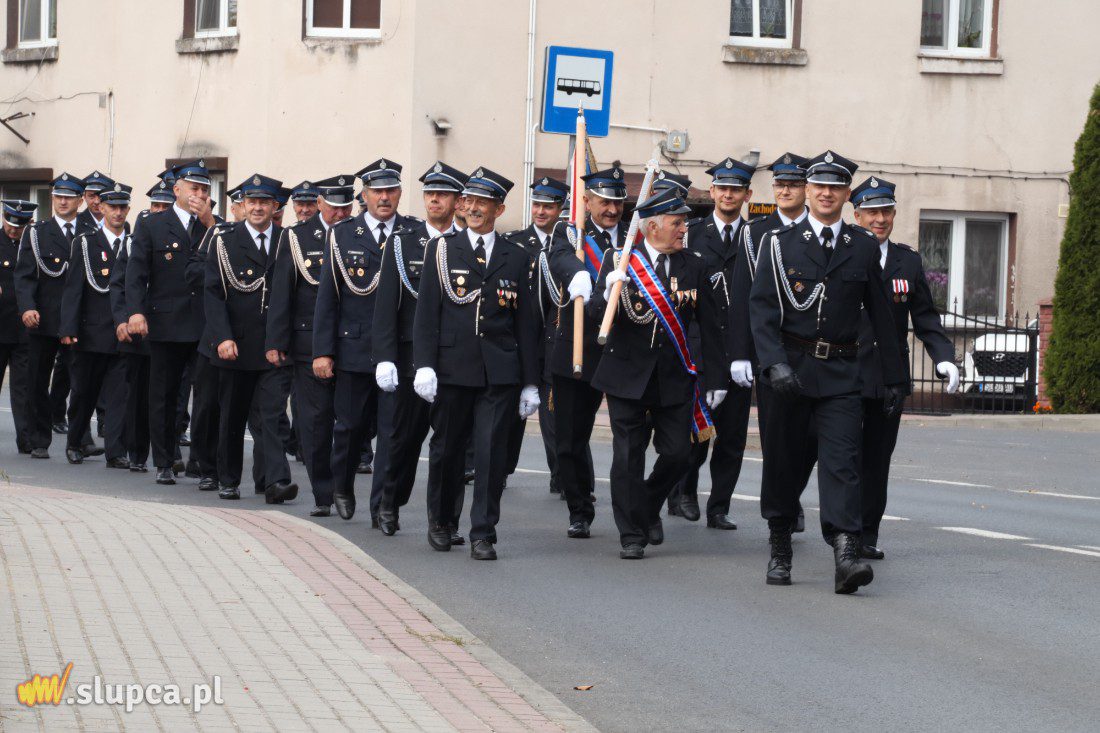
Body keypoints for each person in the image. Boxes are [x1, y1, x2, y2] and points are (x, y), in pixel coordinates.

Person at [749, 150, 905, 594]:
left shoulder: (861, 245)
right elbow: (760, 310)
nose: (825, 193)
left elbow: (881, 314)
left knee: (842, 464)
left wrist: (895, 377)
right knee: (783, 464)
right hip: (790, 371)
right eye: (818, 185)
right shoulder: (779, 244)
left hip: (841, 370)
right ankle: (780, 545)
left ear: (845, 194)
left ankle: (846, 553)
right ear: (808, 189)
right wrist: (773, 363)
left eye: (835, 186)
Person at [588, 188, 726, 559]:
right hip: (626, 375)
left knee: (680, 454)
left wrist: (716, 379)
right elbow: (593, 318)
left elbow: (711, 325)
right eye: (677, 223)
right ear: (652, 227)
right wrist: (608, 290)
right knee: (628, 457)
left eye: (683, 223)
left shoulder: (693, 264)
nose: (684, 230)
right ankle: (631, 533)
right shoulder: (619, 261)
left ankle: (646, 505)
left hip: (674, 375)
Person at [412, 166, 540, 560]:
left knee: (490, 453)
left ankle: (482, 531)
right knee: (448, 448)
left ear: (499, 209)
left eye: (483, 202)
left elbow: (527, 324)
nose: (473, 208)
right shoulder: (442, 249)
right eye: (469, 201)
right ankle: (442, 521)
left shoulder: (517, 256)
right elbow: (428, 313)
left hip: (499, 370)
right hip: (453, 367)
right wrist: (424, 364)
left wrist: (530, 382)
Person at [850, 176, 958, 558]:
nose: (879, 219)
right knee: (841, 459)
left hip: (887, 378)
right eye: (872, 212)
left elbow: (925, 317)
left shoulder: (907, 260)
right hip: (843, 375)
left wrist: (944, 358)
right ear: (857, 214)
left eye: (886, 211)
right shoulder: (841, 252)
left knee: (877, 461)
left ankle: (865, 536)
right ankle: (834, 527)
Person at [314, 159, 415, 525]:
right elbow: (328, 298)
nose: (384, 198)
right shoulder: (342, 234)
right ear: (365, 195)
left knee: (392, 432)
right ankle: (341, 485)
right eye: (377, 191)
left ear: (400, 194)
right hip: (354, 348)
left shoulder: (413, 234)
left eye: (391, 191)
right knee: (349, 427)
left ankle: (384, 506)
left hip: (398, 352)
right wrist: (323, 351)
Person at [374, 161, 467, 537]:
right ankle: (389, 503)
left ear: (457, 201)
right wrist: (385, 357)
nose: (434, 201)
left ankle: (443, 520)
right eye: (429, 194)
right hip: (412, 357)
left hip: (456, 359)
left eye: (442, 195)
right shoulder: (403, 242)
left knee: (450, 447)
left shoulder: (466, 243)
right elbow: (386, 306)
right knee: (404, 440)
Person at [664, 158, 754, 530]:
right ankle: (683, 491)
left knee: (731, 437)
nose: (729, 194)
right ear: (712, 192)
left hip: (740, 349)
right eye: (722, 188)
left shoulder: (758, 237)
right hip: (697, 348)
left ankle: (719, 506)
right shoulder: (693, 233)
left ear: (747, 195)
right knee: (694, 430)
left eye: (736, 189)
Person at [728, 152, 814, 533]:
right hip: (772, 350)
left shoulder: (821, 229)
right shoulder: (757, 232)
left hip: (813, 353)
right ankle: (782, 512)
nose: (785, 190)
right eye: (779, 184)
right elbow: (746, 295)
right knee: (776, 441)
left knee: (810, 441)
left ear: (806, 189)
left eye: (793, 184)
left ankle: (790, 497)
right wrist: (741, 353)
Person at [203, 173, 298, 504]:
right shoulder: (224, 240)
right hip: (236, 346)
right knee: (232, 416)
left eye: (264, 202)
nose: (257, 208)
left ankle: (275, 481)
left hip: (274, 346)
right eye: (252, 202)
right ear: (242, 205)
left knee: (271, 416)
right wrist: (222, 338)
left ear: (275, 207)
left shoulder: (289, 240)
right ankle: (228, 479)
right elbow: (213, 293)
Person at [546, 166, 627, 539]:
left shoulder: (634, 236)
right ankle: (580, 507)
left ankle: (635, 511)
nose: (610, 209)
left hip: (625, 350)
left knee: (632, 439)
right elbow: (559, 256)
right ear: (588, 201)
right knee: (569, 439)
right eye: (603, 201)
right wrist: (580, 274)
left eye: (616, 201)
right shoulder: (571, 232)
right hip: (578, 346)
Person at [266, 174, 355, 516]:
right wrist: (276, 340)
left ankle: (344, 483)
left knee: (350, 421)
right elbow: (282, 293)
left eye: (346, 207)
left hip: (350, 342)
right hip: (306, 343)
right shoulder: (297, 237)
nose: (340, 214)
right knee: (315, 422)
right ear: (319, 204)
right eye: (333, 207)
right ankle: (324, 493)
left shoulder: (357, 234)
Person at [126, 159, 216, 485]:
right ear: (176, 190)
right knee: (163, 395)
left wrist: (209, 222)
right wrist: (135, 312)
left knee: (206, 396)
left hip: (206, 324)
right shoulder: (152, 224)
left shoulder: (214, 226)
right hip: (166, 323)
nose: (200, 194)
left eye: (205, 189)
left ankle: (203, 464)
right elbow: (136, 273)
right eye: (194, 188)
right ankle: (164, 460)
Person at [15, 173, 95, 459]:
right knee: (37, 379)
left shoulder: (91, 231)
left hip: (79, 320)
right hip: (44, 318)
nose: (63, 201)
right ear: (53, 199)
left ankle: (79, 439)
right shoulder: (37, 233)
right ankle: (39, 439)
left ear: (80, 199)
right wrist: (27, 307)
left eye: (69, 197)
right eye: (59, 196)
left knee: (81, 382)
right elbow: (24, 275)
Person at [502, 175, 569, 493]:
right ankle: (500, 468)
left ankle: (561, 474)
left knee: (555, 412)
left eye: (548, 206)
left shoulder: (570, 242)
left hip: (555, 340)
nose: (541, 212)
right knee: (513, 412)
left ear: (560, 209)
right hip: (520, 339)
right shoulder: (514, 242)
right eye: (537, 205)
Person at [59, 182, 131, 467]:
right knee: (83, 393)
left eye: (123, 207)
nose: (117, 213)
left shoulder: (134, 241)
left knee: (118, 397)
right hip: (90, 333)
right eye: (112, 207)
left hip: (122, 334)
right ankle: (75, 442)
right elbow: (73, 288)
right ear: (101, 208)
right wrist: (68, 328)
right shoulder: (86, 242)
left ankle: (116, 452)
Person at [0, 199, 36, 454]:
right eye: (10, 224)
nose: (14, 230)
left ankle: (26, 438)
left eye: (19, 226)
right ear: (3, 218)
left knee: (23, 388)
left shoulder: (32, 244)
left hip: (23, 329)